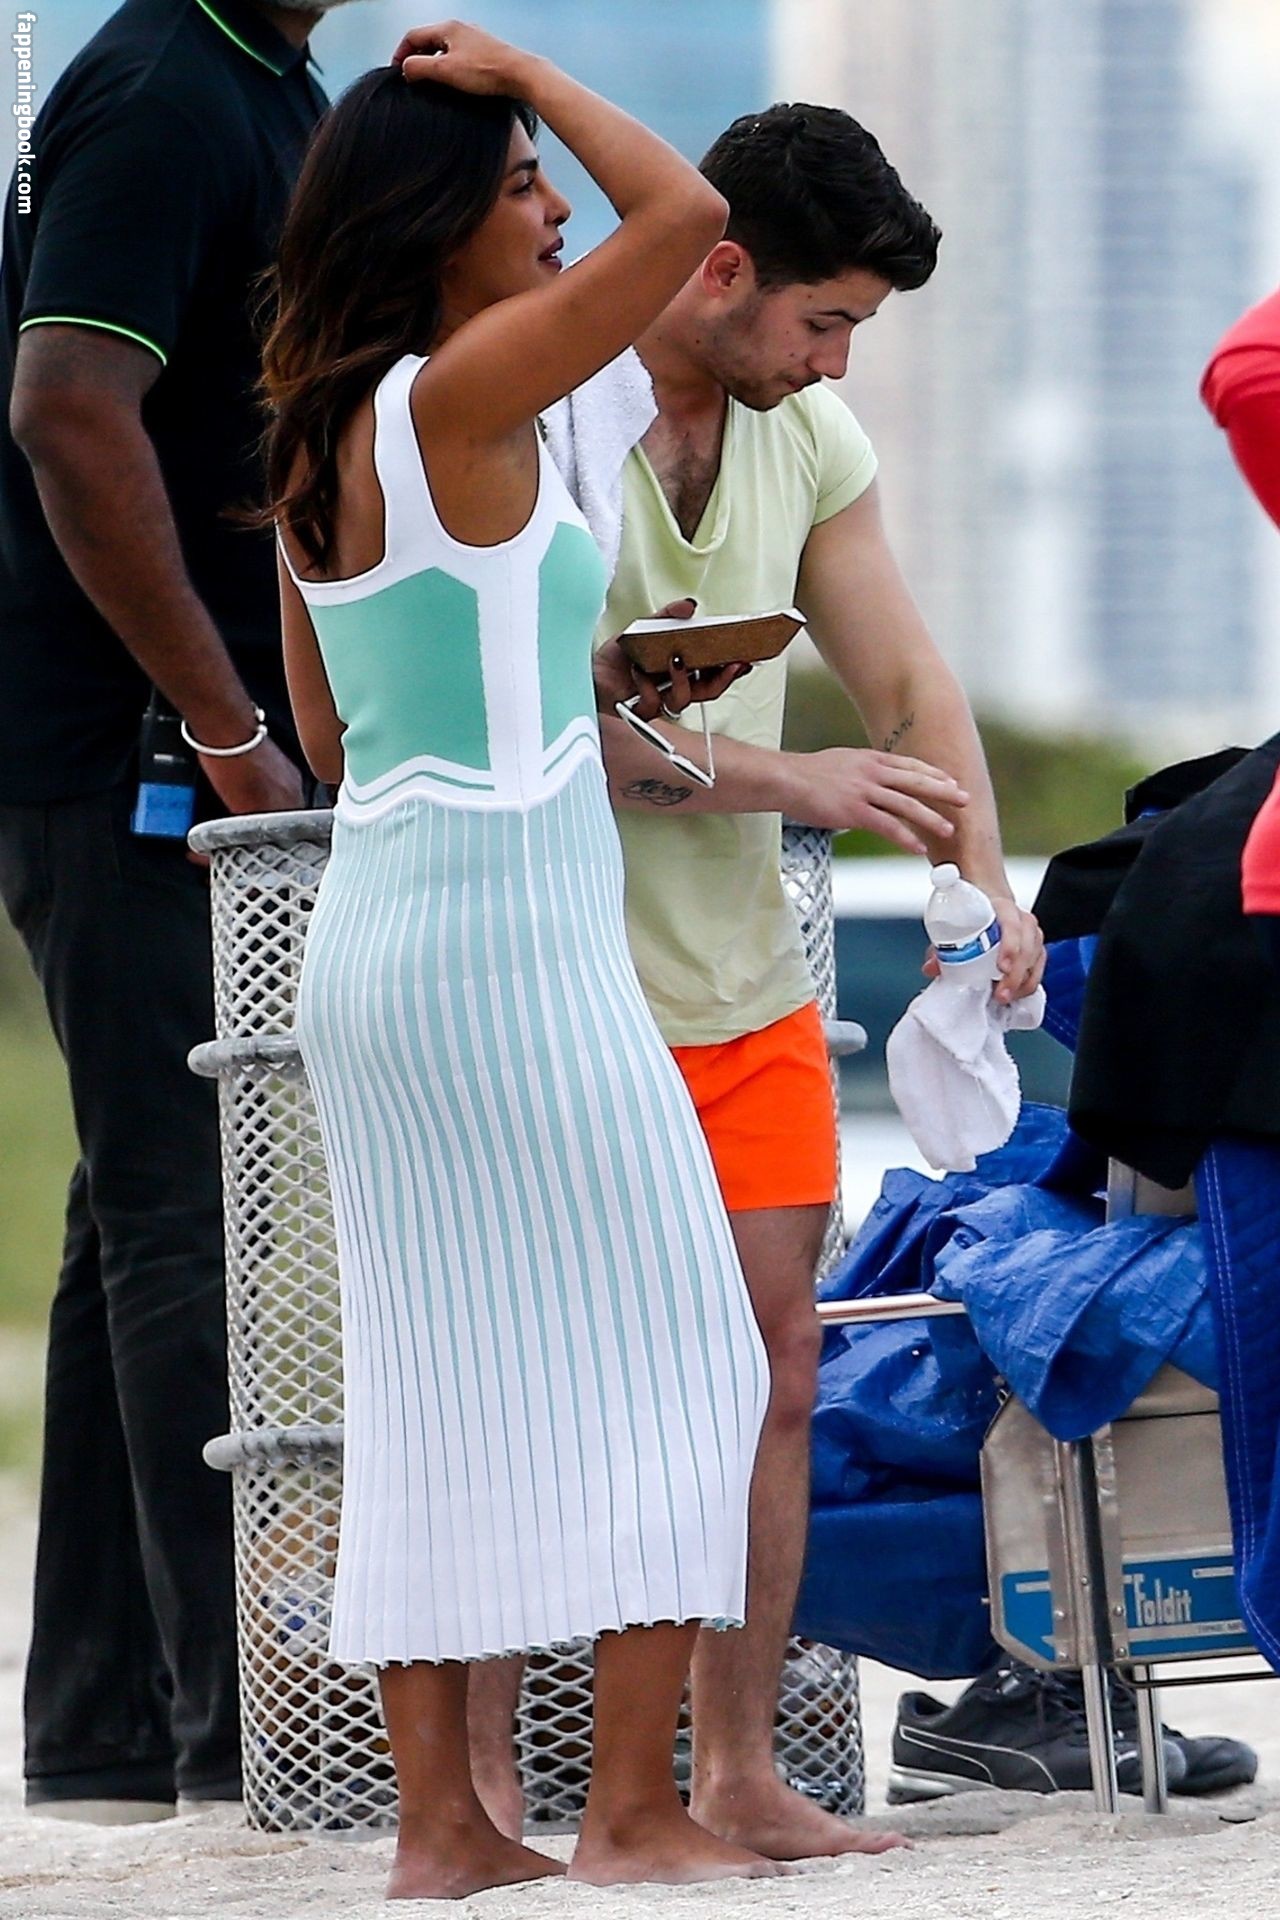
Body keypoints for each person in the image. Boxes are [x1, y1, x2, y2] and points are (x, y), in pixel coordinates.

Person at [469, 102, 1044, 1859]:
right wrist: (797, 780)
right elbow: (539, 725)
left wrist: (981, 874)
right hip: (555, 981)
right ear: (721, 269)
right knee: (537, 1387)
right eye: (826, 319)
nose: (838, 359)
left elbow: (909, 687)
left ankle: (737, 1773)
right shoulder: (541, 409)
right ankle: (487, 1789)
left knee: (775, 1371)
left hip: (746, 988)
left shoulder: (812, 437)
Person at [264, 24, 777, 1897]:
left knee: (436, 1379)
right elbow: (692, 214)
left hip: (379, 934)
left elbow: (339, 734)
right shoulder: (458, 390)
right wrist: (531, 71)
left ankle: (447, 1833)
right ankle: (631, 1813)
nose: (556, 206)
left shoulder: (321, 426)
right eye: (516, 187)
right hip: (505, 940)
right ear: (431, 220)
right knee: (691, 1350)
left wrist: (577, 691)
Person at [0, 0, 347, 1821]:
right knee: (182, 1212)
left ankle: (109, 1718)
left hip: (194, 746)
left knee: (141, 1203)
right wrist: (222, 723)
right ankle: (245, 1735)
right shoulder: (156, 87)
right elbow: (67, 408)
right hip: (119, 751)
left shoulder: (272, 83)